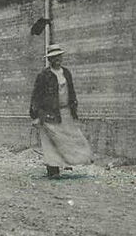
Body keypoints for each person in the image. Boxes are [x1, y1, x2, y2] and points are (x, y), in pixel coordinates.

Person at [30, 44, 93, 179]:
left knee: (71, 138)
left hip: (65, 112)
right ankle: (53, 170)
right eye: (54, 57)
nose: (57, 59)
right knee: (50, 142)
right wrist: (34, 116)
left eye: (59, 56)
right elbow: (36, 96)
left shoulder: (66, 73)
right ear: (49, 59)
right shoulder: (43, 75)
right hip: (48, 114)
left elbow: (72, 92)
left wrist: (74, 109)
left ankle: (71, 161)